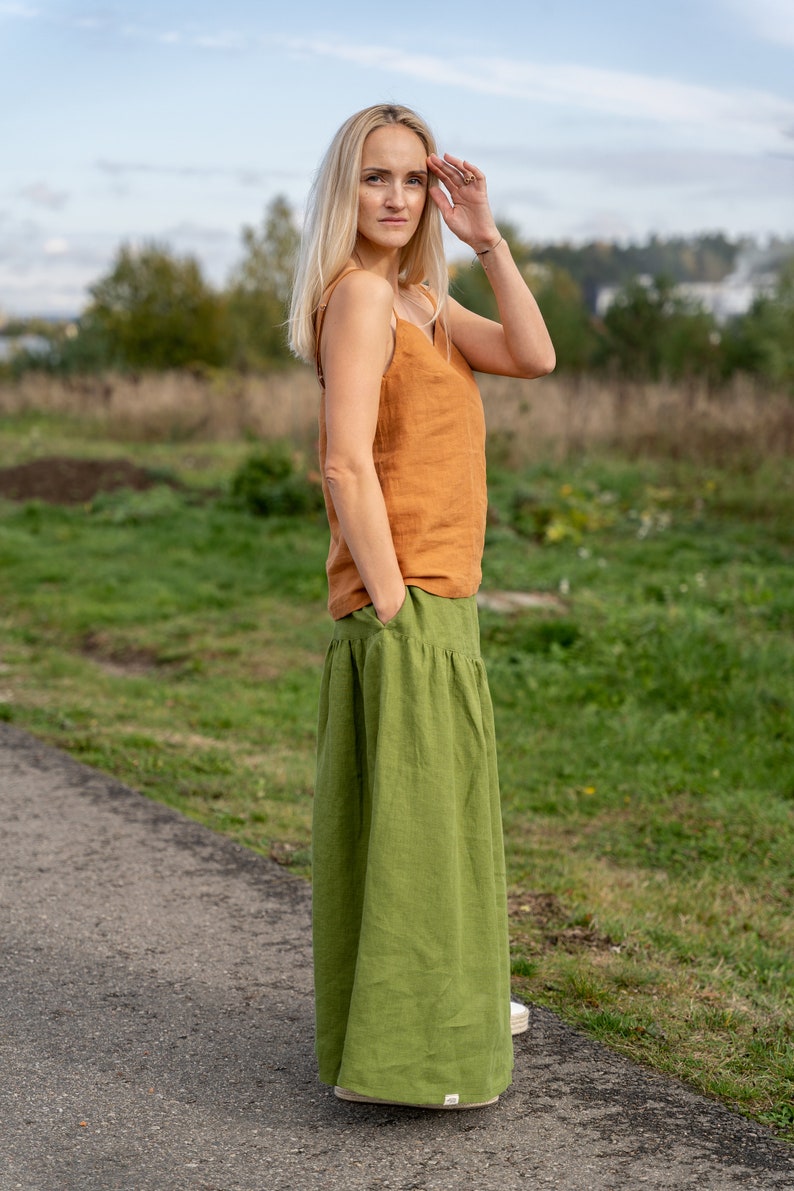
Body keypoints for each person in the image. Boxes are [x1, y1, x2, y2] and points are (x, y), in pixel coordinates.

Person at [288, 103, 555, 1110]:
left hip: (447, 601)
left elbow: (534, 357)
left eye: (410, 179)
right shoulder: (357, 299)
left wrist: (486, 239)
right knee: (411, 836)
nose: (395, 198)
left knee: (438, 828)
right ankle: (411, 1052)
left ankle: (444, 1008)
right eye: (374, 178)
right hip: (408, 605)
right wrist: (393, 602)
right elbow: (344, 462)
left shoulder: (424, 305)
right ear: (342, 193)